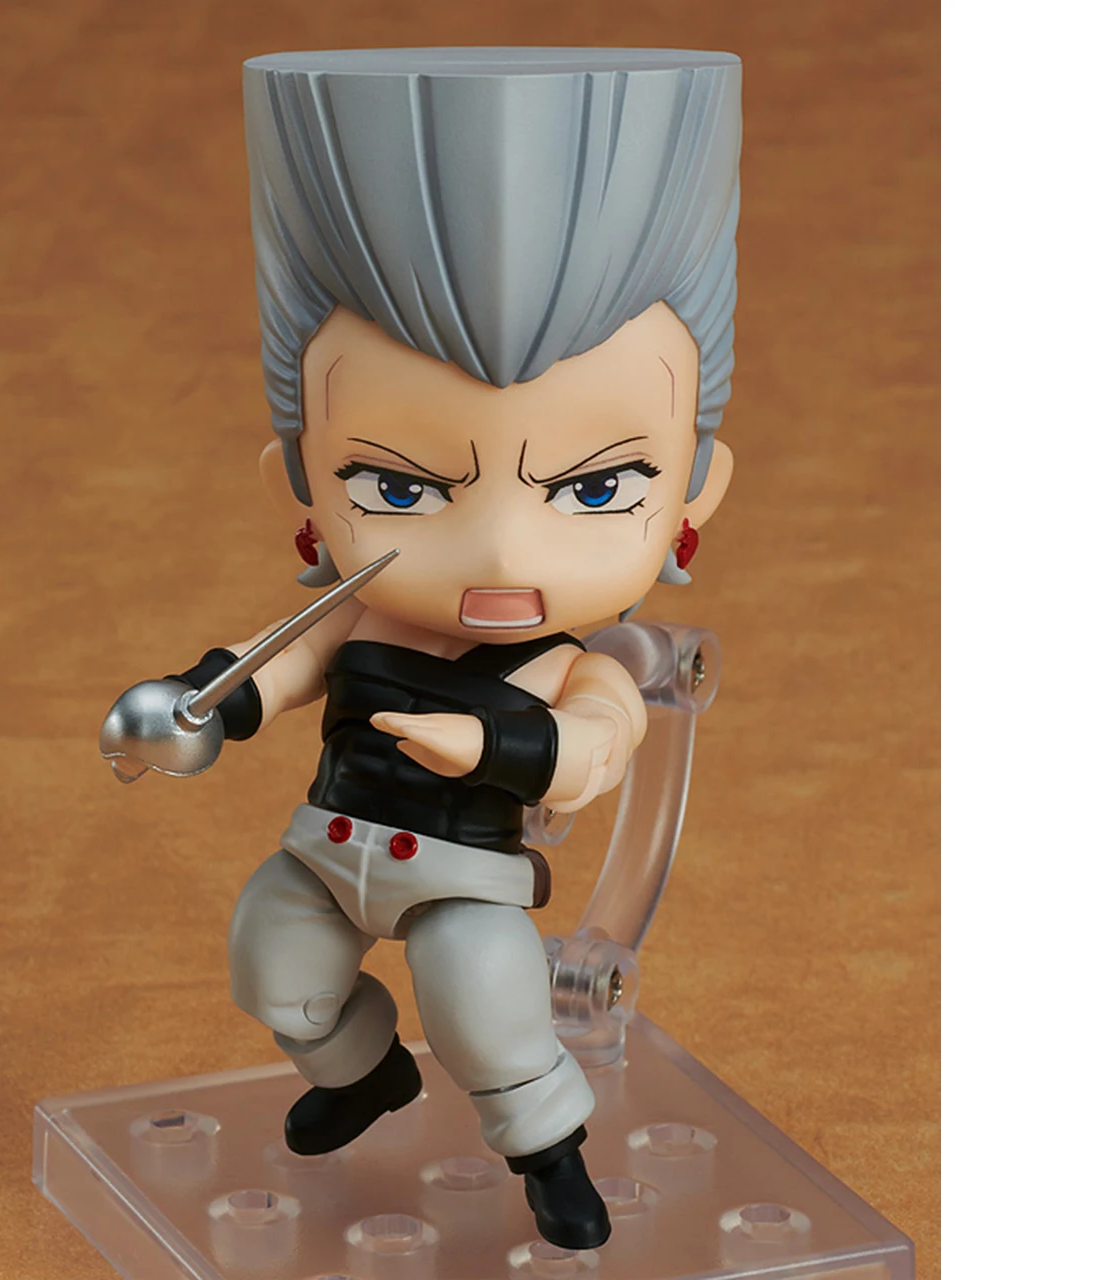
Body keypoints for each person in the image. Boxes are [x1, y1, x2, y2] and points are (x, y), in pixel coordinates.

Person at [162, 47, 741, 1250]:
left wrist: (485, 743)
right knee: (274, 966)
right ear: (301, 488)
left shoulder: (578, 664)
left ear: (694, 494)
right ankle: (362, 1070)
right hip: (326, 846)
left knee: (485, 1005)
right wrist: (200, 703)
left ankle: (549, 1157)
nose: (498, 548)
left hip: (464, 875)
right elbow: (278, 664)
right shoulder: (358, 615)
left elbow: (592, 749)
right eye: (398, 483)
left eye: (593, 487)